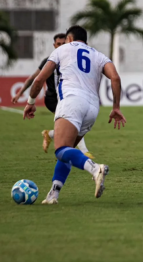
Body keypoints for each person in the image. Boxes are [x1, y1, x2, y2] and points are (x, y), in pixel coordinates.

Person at [23, 25, 126, 204]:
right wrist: (116, 107)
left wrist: (31, 102)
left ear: (69, 39)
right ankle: (53, 194)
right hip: (93, 108)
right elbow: (115, 78)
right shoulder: (99, 55)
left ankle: (95, 169)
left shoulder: (62, 49)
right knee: (68, 151)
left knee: (61, 150)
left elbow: (39, 79)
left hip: (71, 102)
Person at [12, 33, 93, 158]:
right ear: (54, 45)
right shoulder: (49, 60)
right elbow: (34, 78)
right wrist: (20, 93)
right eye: (58, 44)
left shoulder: (72, 59)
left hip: (68, 97)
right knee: (74, 122)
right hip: (53, 99)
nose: (61, 46)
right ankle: (84, 152)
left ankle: (50, 135)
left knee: (72, 125)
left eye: (63, 43)